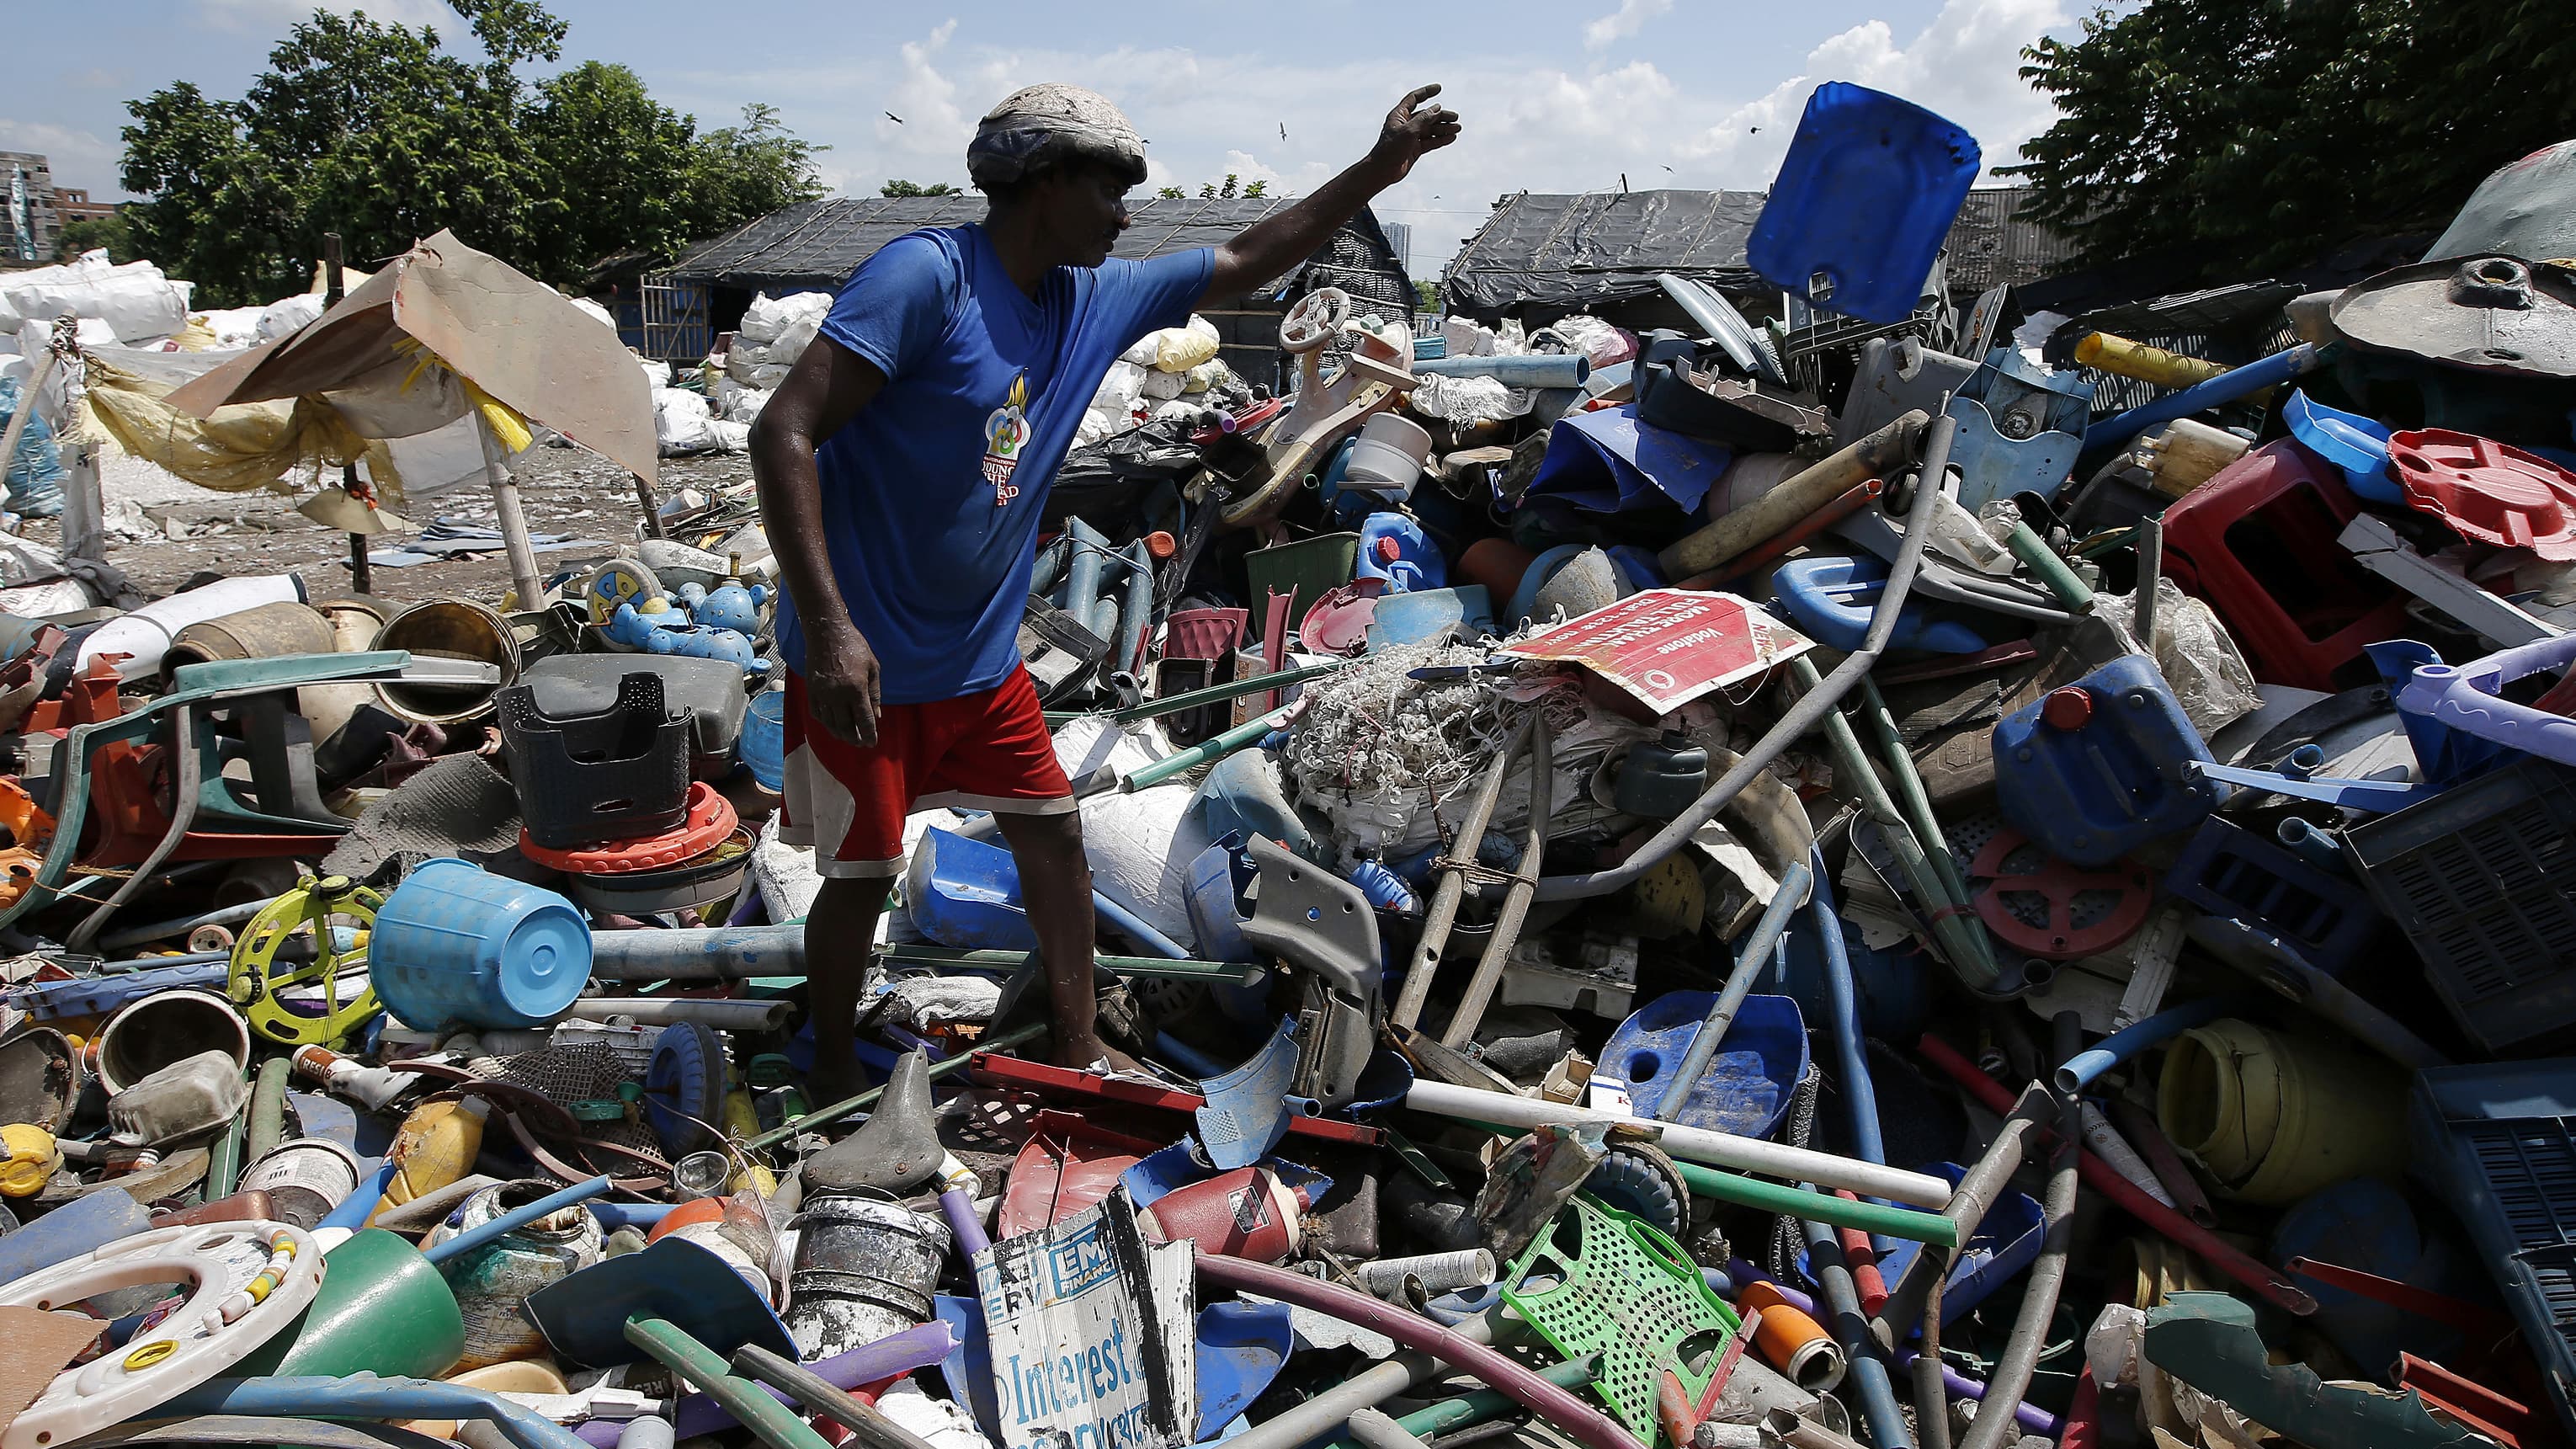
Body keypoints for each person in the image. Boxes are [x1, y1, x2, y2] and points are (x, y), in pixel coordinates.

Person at [753, 81, 1459, 1099]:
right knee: (859, 875)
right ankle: (822, 1061)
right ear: (1041, 181)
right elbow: (784, 429)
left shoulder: (1092, 299)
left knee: (1053, 838)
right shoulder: (927, 279)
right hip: (863, 652)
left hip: (979, 658)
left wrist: (1378, 170)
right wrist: (828, 627)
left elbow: (1246, 261)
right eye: (1110, 188)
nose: (1126, 214)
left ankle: (1075, 1047)